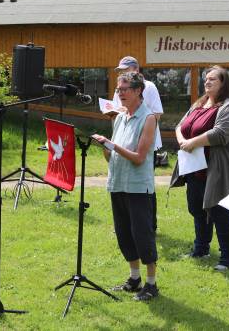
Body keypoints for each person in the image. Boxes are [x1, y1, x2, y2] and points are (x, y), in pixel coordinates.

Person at [170, 66, 229, 271]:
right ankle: (201, 248)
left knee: (221, 212)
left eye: (213, 79)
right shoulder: (199, 104)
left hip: (218, 171)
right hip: (195, 169)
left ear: (224, 83)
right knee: (198, 209)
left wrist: (193, 142)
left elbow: (221, 134)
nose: (207, 82)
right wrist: (183, 142)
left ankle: (227, 258)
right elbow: (180, 125)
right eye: (206, 79)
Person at [92, 72, 159, 301]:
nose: (120, 93)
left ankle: (151, 284)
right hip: (118, 183)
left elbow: (140, 157)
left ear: (138, 90)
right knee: (124, 234)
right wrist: (105, 146)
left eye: (124, 89)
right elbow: (112, 155)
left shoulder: (148, 118)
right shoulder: (119, 118)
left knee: (142, 235)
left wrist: (111, 145)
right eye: (118, 89)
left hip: (138, 187)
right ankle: (134, 279)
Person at [110, 56, 163, 231]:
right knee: (123, 184)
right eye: (120, 71)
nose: (122, 73)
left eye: (125, 70)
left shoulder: (150, 87)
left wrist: (137, 117)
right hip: (124, 137)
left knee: (144, 185)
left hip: (144, 141)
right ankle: (125, 224)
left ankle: (149, 226)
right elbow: (120, 110)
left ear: (136, 69)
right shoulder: (121, 87)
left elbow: (156, 114)